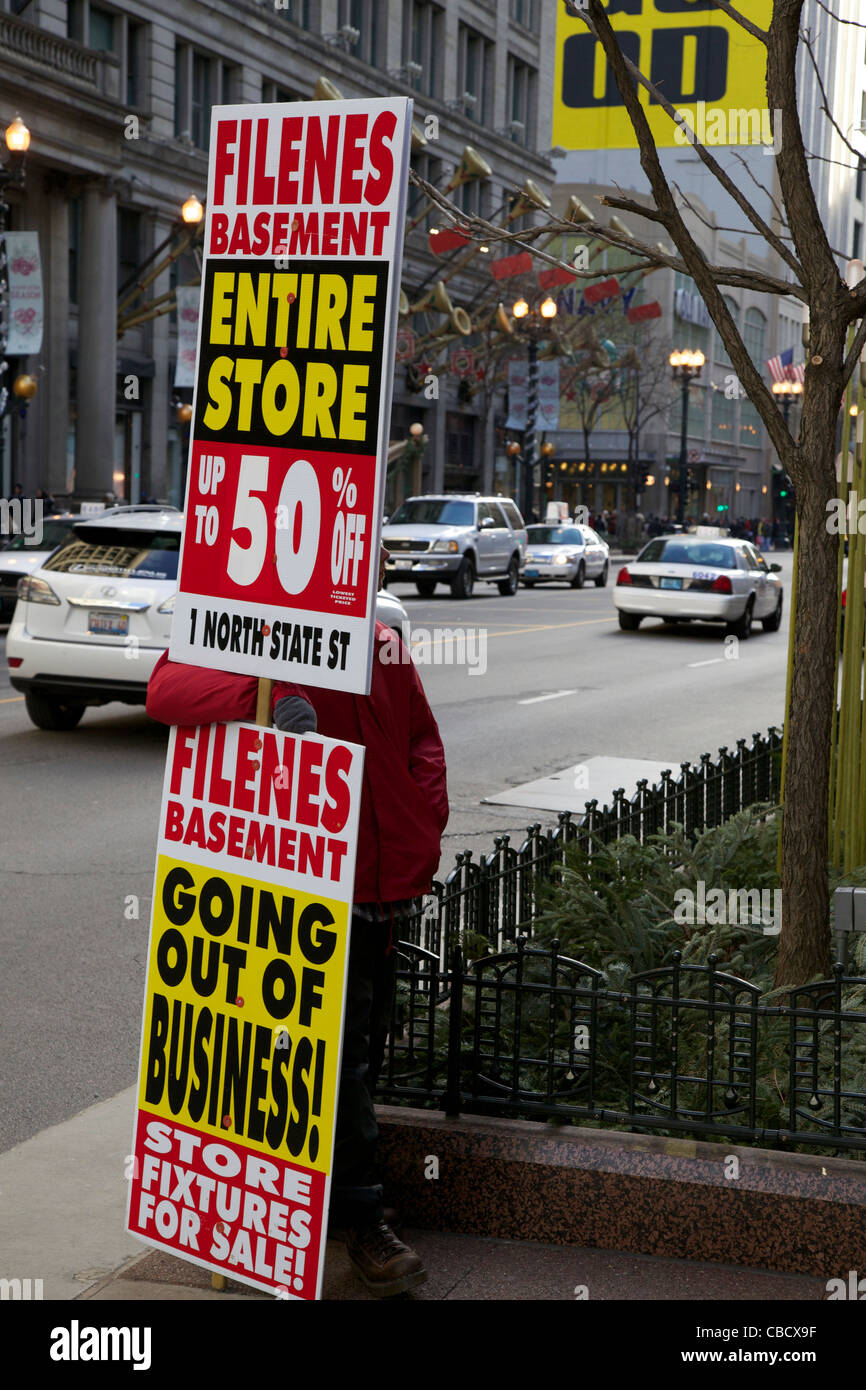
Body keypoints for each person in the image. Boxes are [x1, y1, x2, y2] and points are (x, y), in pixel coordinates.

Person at [145, 543, 448, 1298]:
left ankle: (328, 1205)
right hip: (295, 892)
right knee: (331, 1062)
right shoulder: (246, 626)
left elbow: (420, 739)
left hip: (381, 886)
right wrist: (265, 682)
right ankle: (358, 1221)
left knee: (361, 1055)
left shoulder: (382, 640)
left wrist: (424, 821)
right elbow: (167, 692)